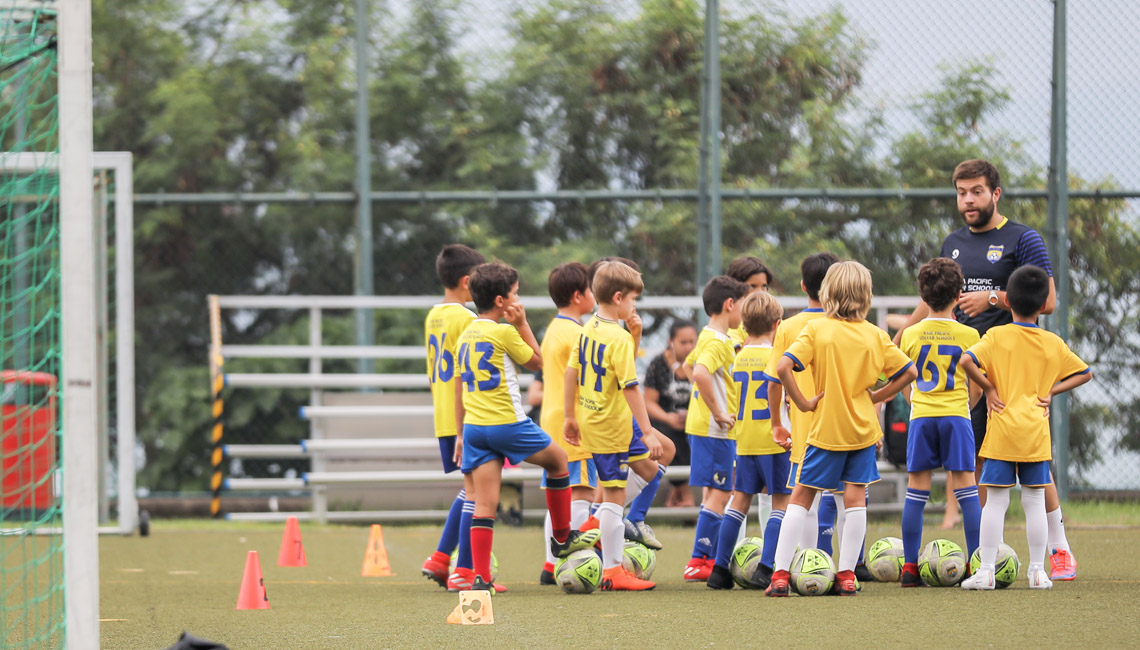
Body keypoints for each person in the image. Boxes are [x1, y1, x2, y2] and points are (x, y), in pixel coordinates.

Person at [897, 159, 1077, 580]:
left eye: (976, 191)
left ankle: (1060, 547)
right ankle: (982, 558)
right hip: (965, 372)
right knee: (973, 464)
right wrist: (901, 335)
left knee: (1035, 461)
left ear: (996, 194)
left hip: (1009, 371)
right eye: (961, 192)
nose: (968, 200)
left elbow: (1047, 300)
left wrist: (994, 300)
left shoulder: (1022, 239)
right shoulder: (953, 241)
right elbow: (934, 296)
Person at [768, 261, 917, 597]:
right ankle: (847, 575)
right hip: (862, 432)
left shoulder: (818, 330)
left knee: (801, 498)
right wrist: (879, 395)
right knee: (854, 500)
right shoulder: (876, 335)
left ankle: (780, 574)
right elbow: (909, 372)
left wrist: (803, 403)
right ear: (866, 295)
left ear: (827, 293)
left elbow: (782, 367)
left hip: (825, 430)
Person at [457, 262, 600, 593]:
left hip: (475, 427)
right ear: (500, 300)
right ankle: (563, 537)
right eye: (515, 294)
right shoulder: (504, 330)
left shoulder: (466, 333)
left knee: (484, 504)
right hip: (507, 423)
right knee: (559, 461)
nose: (518, 299)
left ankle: (480, 578)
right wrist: (521, 324)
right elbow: (539, 363)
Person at [959, 265, 1091, 590]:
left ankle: (986, 570)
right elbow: (1085, 373)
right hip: (1035, 434)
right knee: (1034, 503)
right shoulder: (1053, 343)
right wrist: (1051, 392)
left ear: (1009, 301)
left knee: (996, 503)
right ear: (1044, 302)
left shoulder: (996, 336)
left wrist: (989, 389)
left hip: (1002, 431)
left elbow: (965, 361)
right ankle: (1037, 572)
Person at [565, 260, 666, 591]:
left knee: (651, 469)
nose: (635, 306)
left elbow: (572, 373)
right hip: (611, 427)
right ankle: (612, 570)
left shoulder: (588, 327)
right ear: (619, 297)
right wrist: (648, 430)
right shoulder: (617, 337)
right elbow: (630, 385)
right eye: (634, 300)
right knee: (613, 496)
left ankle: (597, 525)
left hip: (596, 420)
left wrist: (570, 416)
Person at [897, 257, 983, 587]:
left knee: (916, 491)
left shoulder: (910, 334)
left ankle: (909, 567)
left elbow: (904, 381)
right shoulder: (969, 333)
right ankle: (977, 563)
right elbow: (975, 387)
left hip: (922, 418)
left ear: (922, 293)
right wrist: (965, 404)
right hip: (956, 416)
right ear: (960, 293)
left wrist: (915, 402)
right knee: (966, 488)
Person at [706, 291, 791, 590]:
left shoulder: (738, 356)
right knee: (781, 501)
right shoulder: (777, 358)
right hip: (774, 440)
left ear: (743, 324)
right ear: (778, 325)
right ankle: (766, 567)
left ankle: (718, 568)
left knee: (739, 501)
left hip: (745, 442)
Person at [420, 244, 484, 591]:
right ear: (466, 281)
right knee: (478, 492)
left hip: (444, 416)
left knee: (469, 488)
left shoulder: (434, 315)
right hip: (469, 417)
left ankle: (442, 558)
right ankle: (465, 569)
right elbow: (469, 371)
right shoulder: (468, 319)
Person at [765, 253, 838, 555]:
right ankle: (849, 566)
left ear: (803, 285)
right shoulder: (850, 325)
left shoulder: (789, 327)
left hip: (806, 427)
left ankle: (808, 561)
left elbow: (773, 380)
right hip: (846, 425)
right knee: (849, 497)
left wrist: (777, 424)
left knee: (804, 499)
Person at [681, 275, 751, 582]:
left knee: (716, 491)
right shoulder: (718, 341)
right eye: (743, 307)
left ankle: (705, 556)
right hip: (715, 429)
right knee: (722, 492)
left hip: (706, 426)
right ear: (730, 305)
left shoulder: (708, 335)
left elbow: (686, 366)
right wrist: (719, 411)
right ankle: (699, 559)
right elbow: (698, 372)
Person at [536, 262, 599, 585]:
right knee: (583, 493)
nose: (594, 296)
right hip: (572, 422)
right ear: (578, 296)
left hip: (551, 419)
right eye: (590, 290)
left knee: (560, 494)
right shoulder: (578, 332)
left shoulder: (554, 328)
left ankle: (550, 565)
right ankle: (567, 563)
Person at [644, 320, 698, 508]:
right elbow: (648, 402)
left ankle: (678, 493)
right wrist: (668, 417)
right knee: (667, 436)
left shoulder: (702, 362)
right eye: (683, 342)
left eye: (693, 341)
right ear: (671, 342)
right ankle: (685, 493)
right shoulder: (658, 364)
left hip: (694, 422)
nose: (689, 346)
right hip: (666, 422)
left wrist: (691, 416)